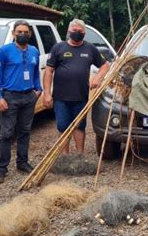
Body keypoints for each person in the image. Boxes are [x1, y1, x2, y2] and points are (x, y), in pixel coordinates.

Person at [43, 19, 110, 154]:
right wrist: (47, 94)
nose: (77, 33)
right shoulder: (58, 48)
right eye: (74, 31)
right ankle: (65, 157)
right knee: (63, 127)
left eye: (80, 32)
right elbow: (49, 71)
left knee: (80, 126)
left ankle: (80, 155)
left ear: (84, 33)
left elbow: (105, 65)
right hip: (61, 98)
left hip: (81, 96)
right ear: (68, 32)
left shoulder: (90, 48)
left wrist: (98, 78)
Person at [0, 20, 42, 184]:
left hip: (28, 96)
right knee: (6, 133)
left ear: (30, 34)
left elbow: (35, 73)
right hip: (10, 97)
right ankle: (1, 168)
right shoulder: (4, 51)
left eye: (25, 32)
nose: (22, 34)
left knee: (25, 131)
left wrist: (38, 89)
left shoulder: (34, 51)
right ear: (13, 33)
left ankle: (22, 162)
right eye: (19, 31)